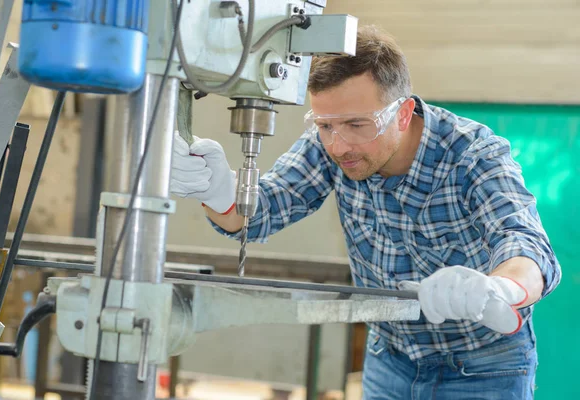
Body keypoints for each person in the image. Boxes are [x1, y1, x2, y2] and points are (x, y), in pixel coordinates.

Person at [170, 25, 561, 400]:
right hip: (389, 360)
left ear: (403, 113)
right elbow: (260, 213)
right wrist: (219, 190)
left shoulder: (473, 154)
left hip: (483, 367)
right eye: (324, 125)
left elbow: (525, 244)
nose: (339, 146)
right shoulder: (331, 141)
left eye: (358, 124)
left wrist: (500, 288)